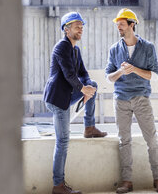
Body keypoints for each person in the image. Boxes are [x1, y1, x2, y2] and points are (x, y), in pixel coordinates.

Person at [44, 11, 108, 194]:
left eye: (82, 26)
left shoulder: (75, 50)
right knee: (62, 141)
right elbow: (69, 75)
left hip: (67, 93)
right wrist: (82, 90)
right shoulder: (61, 47)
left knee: (93, 84)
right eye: (77, 26)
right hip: (57, 98)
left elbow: (83, 74)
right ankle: (58, 185)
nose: (81, 29)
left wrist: (87, 87)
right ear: (66, 29)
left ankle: (89, 128)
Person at [105, 8, 158, 193]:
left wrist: (134, 69)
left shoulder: (148, 47)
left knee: (152, 140)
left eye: (122, 25)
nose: (119, 28)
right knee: (124, 141)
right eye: (118, 25)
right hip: (121, 100)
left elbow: (155, 75)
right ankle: (126, 181)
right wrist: (121, 72)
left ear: (132, 25)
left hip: (141, 98)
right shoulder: (114, 49)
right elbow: (108, 77)